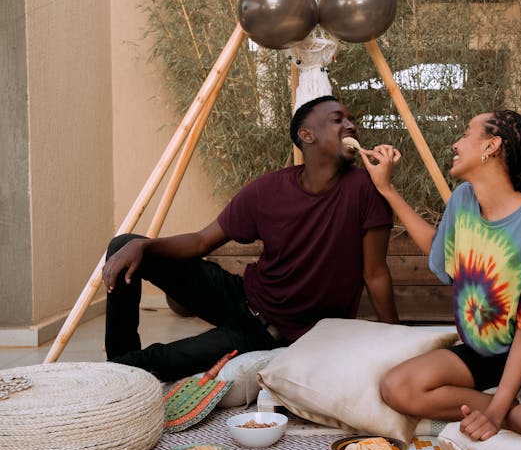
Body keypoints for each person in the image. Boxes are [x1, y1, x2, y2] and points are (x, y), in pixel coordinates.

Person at [103, 95, 398, 382]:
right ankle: (118, 372)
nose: (350, 125)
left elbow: (375, 274)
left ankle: (118, 377)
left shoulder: (366, 189)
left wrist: (396, 345)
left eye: (351, 120)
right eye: (337, 120)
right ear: (307, 135)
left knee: (154, 364)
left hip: (264, 334)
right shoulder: (267, 190)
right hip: (239, 297)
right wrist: (145, 245)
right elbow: (201, 242)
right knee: (125, 246)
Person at [358, 110, 521, 441]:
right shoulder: (463, 200)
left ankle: (514, 404)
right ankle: (516, 407)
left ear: (492, 145)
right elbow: (440, 249)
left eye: (466, 133)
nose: (456, 143)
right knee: (398, 388)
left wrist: (495, 415)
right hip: (487, 348)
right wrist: (386, 188)